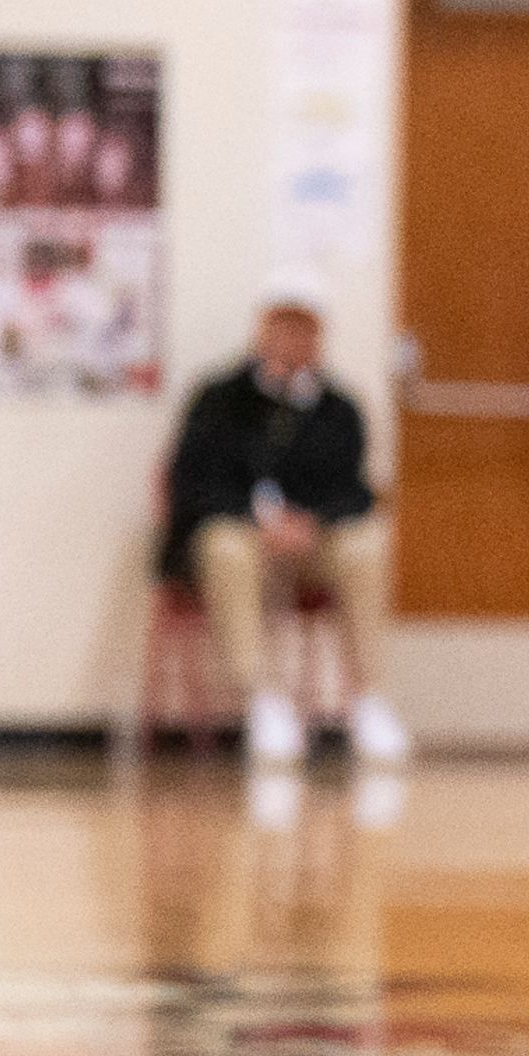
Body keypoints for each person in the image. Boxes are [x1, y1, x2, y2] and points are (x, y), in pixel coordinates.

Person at [161, 277, 407, 766]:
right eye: (283, 326)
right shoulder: (218, 399)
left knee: (368, 544)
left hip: (312, 540)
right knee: (223, 546)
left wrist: (311, 521)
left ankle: (368, 696)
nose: (293, 339)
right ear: (262, 330)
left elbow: (354, 490)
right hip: (245, 535)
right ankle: (262, 698)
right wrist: (256, 520)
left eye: (305, 329)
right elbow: (192, 480)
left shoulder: (339, 408)